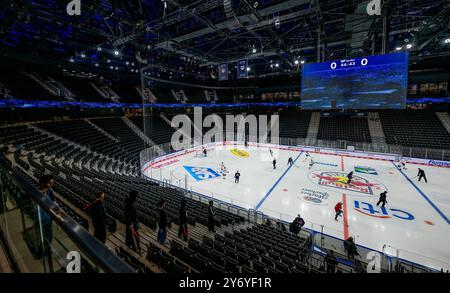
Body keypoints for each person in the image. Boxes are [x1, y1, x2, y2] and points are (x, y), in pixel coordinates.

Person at [36, 175, 56, 256]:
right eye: (49, 183)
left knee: (49, 236)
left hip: (49, 218)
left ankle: (47, 249)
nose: (51, 185)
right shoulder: (38, 194)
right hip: (42, 220)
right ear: (42, 184)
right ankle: (42, 251)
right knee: (43, 237)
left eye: (52, 183)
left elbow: (54, 202)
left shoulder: (50, 191)